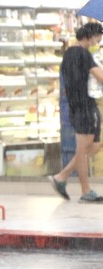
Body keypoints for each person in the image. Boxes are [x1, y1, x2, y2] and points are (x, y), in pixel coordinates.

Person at [49, 22, 103, 203]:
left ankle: (63, 179)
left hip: (75, 107)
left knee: (90, 148)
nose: (99, 40)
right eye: (99, 37)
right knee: (84, 149)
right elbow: (100, 77)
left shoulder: (68, 55)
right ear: (91, 36)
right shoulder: (84, 54)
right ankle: (75, 185)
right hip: (86, 107)